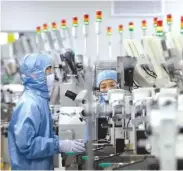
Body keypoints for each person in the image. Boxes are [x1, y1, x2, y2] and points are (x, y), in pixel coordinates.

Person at [8, 53, 85, 170]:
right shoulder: (29, 104)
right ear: (33, 75)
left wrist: (65, 141)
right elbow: (27, 145)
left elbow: (44, 135)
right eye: (47, 71)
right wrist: (59, 145)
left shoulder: (40, 100)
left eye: (51, 70)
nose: (51, 75)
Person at [83, 70, 118, 142]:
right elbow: (88, 137)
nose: (108, 89)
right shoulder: (96, 109)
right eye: (103, 87)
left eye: (112, 85)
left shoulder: (126, 105)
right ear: (99, 89)